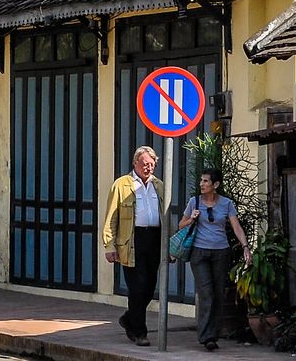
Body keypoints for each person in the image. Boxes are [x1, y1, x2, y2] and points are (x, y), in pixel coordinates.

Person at [179, 168, 252, 351]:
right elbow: (181, 224)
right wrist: (191, 219)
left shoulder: (226, 204)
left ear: (216, 185)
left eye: (205, 181)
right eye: (201, 181)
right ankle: (206, 336)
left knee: (218, 293)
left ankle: (213, 333)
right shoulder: (194, 202)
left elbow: (236, 227)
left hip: (221, 252)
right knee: (206, 293)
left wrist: (245, 247)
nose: (202, 184)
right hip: (199, 253)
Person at [103, 145, 164, 347]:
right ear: (135, 163)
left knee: (149, 287)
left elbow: (166, 215)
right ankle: (139, 332)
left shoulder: (159, 185)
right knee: (137, 287)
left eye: (152, 164)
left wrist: (169, 245)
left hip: (154, 238)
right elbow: (111, 217)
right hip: (131, 240)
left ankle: (129, 317)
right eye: (145, 164)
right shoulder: (122, 185)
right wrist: (109, 245)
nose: (148, 168)